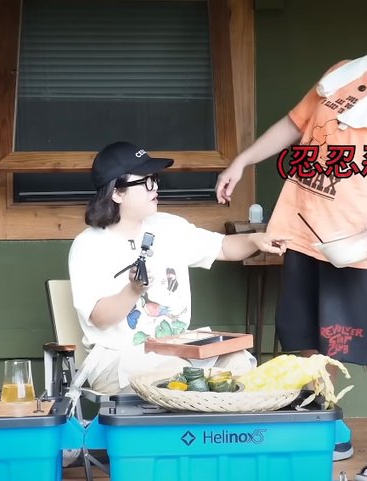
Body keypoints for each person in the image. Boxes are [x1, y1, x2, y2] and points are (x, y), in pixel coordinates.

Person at [215, 10, 367, 481]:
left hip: (356, 244)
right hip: (302, 230)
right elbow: (294, 124)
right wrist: (242, 161)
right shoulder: (341, 73)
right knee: (308, 345)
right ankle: (330, 431)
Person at [68, 141, 289, 396]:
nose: (155, 187)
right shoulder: (89, 245)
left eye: (155, 179)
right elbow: (100, 318)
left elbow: (224, 247)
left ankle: (227, 423)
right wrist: (133, 290)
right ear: (117, 193)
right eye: (146, 182)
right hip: (118, 359)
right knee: (182, 377)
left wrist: (254, 239)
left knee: (238, 362)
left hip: (177, 348)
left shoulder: (167, 226)